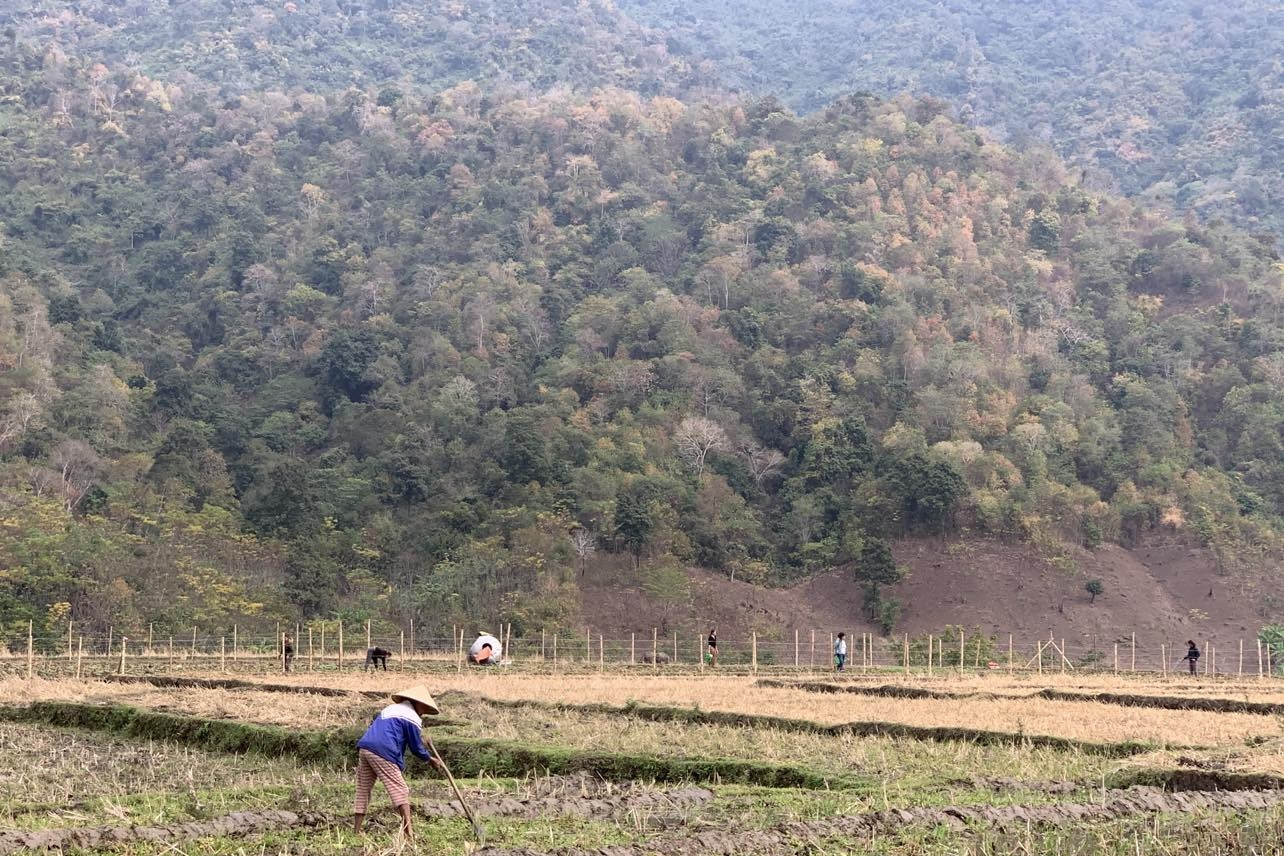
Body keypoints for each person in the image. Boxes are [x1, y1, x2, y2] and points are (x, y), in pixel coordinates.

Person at [353, 684, 445, 839]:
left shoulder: (390, 709)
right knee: (401, 790)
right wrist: (431, 760)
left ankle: (356, 831)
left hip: (365, 748)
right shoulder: (412, 717)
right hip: (383, 751)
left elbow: (389, 732)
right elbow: (416, 748)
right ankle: (409, 833)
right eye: (424, 707)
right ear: (418, 703)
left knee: (363, 789)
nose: (423, 712)